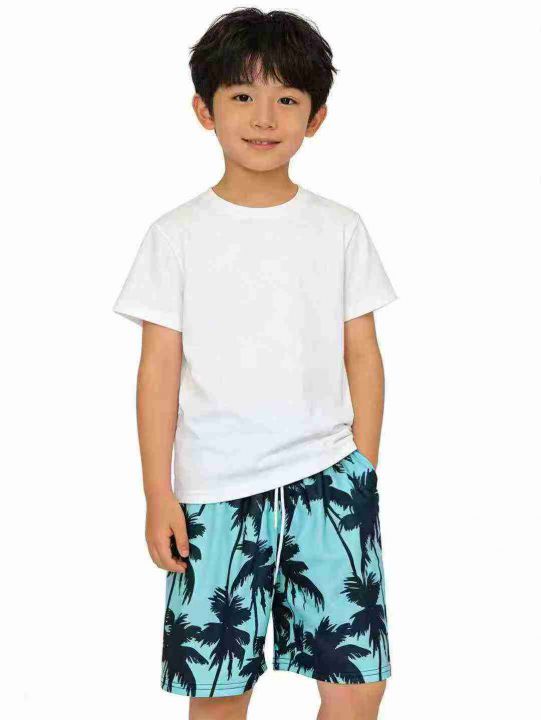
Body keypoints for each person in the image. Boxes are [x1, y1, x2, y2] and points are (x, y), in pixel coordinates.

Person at [113, 7, 398, 719]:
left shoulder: (339, 228)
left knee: (358, 683)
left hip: (328, 479)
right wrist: (157, 493)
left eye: (287, 99)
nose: (264, 117)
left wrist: (361, 466)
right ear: (203, 110)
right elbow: (158, 373)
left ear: (316, 117)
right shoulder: (175, 236)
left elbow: (362, 353)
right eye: (242, 95)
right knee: (218, 689)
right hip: (213, 491)